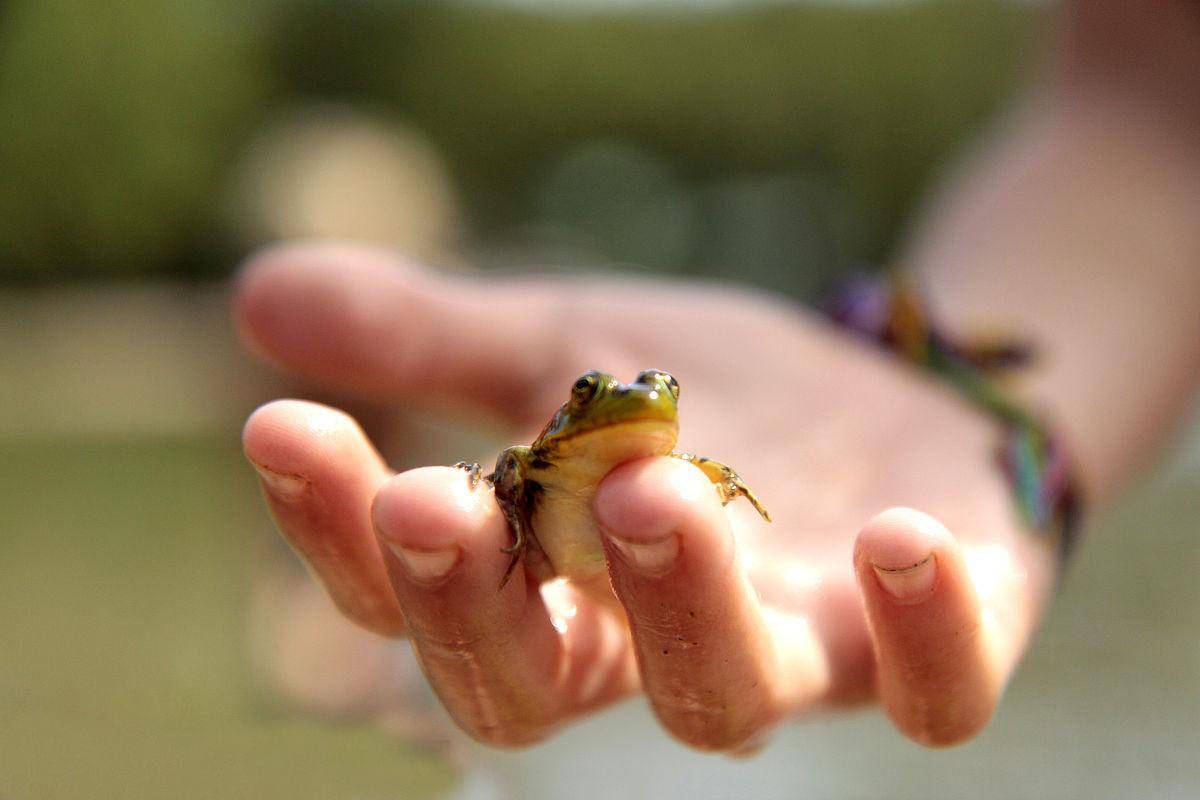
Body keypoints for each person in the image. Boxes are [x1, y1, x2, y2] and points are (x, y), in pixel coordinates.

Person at [234, 0, 1200, 752]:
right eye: (608, 392)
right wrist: (957, 409)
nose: (636, 404)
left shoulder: (673, 456)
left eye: (652, 393)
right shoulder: (558, 460)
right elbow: (1151, 106)